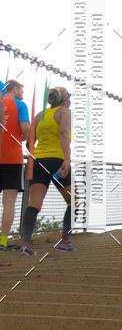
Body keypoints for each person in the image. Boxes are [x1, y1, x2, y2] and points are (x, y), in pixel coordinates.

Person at [20, 86, 72, 256]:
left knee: (33, 203)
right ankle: (64, 242)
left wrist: (34, 158)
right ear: (64, 100)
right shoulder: (65, 112)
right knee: (75, 201)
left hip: (38, 162)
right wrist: (67, 159)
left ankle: (26, 245)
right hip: (57, 161)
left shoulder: (39, 115)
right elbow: (64, 133)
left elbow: (29, 143)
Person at [0, 81, 30, 251]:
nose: (23, 94)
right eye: (22, 89)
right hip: (12, 159)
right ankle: (2, 241)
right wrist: (22, 138)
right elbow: (25, 127)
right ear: (15, 88)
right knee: (9, 202)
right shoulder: (20, 105)